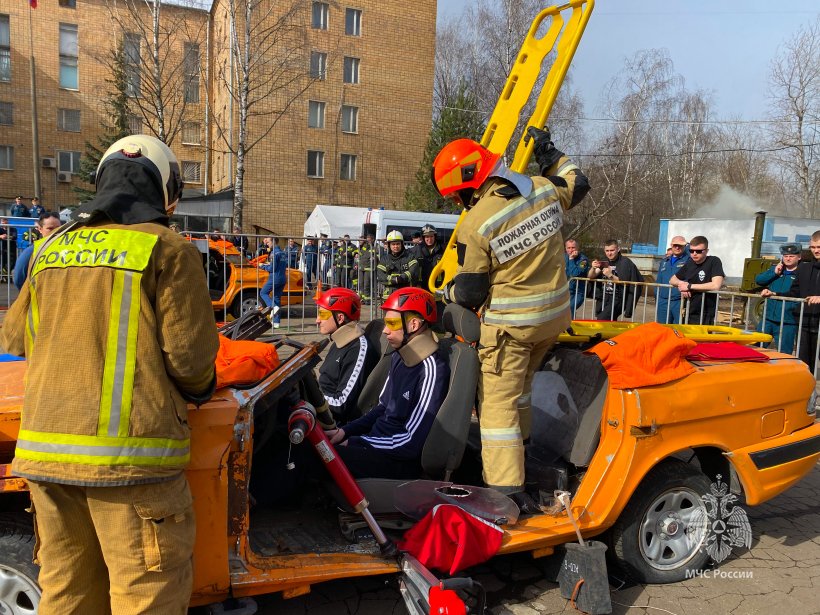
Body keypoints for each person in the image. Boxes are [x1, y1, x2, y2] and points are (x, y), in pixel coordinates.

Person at [0, 134, 218, 614]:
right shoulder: (167, 248)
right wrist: (201, 389)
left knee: (69, 596)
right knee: (146, 598)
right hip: (133, 465)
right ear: (166, 192)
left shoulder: (50, 250)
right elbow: (190, 360)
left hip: (47, 461)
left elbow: (14, 341)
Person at [433, 127, 590, 512]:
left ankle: (505, 491)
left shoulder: (478, 221)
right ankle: (523, 452)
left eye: (456, 196)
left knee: (498, 406)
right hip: (552, 320)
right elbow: (578, 182)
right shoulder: (541, 189)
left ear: (468, 185)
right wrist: (548, 151)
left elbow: (469, 293)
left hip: (511, 328)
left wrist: (446, 293)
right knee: (521, 391)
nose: (458, 203)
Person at [324, 288, 449, 479]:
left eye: (392, 323)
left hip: (397, 460)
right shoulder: (400, 356)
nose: (385, 330)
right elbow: (382, 407)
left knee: (321, 456)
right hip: (378, 443)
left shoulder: (431, 368)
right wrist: (344, 432)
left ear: (414, 324)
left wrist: (358, 442)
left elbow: (411, 442)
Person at [315, 287, 380, 424]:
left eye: (323, 314)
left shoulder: (357, 348)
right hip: (321, 409)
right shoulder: (339, 340)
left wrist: (309, 397)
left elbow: (341, 404)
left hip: (333, 422)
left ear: (340, 318)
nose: (317, 320)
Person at [669, 235, 725, 325]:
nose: (694, 254)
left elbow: (716, 285)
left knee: (702, 339)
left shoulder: (714, 261)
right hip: (688, 311)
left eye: (698, 251)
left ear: (706, 251)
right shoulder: (690, 262)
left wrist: (689, 286)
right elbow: (672, 280)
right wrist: (682, 284)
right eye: (691, 251)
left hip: (705, 313)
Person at [757, 243, 801, 354]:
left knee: (784, 353)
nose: (788, 258)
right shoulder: (777, 270)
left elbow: (797, 293)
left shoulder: (802, 273)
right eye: (785, 256)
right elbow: (759, 280)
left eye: (791, 256)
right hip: (767, 319)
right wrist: (774, 272)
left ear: (799, 257)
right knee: (756, 348)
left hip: (787, 321)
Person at [786, 231, 820, 370]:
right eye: (813, 247)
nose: (816, 250)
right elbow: (794, 292)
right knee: (805, 363)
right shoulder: (804, 268)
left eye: (819, 247)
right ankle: (809, 391)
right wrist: (773, 293)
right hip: (804, 323)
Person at [587, 239, 643, 321]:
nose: (609, 253)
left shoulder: (625, 262)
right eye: (607, 251)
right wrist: (593, 268)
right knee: (608, 321)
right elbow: (591, 276)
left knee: (602, 319)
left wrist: (610, 275)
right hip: (604, 297)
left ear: (618, 249)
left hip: (618, 297)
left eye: (612, 250)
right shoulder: (604, 261)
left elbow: (625, 282)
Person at [12, 211, 62, 289]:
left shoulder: (67, 248)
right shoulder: (31, 251)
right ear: (40, 229)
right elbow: (19, 278)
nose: (56, 232)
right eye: (50, 228)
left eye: (58, 228)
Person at [655, 236, 690, 324]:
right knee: (663, 329)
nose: (677, 247)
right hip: (663, 301)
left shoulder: (689, 260)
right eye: (675, 245)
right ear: (671, 245)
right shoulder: (664, 261)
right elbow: (659, 281)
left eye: (680, 246)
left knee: (678, 330)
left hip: (679, 301)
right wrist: (658, 300)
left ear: (685, 246)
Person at [377, 230, 419, 299]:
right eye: (393, 244)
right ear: (389, 245)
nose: (395, 246)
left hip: (406, 294)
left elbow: (413, 271)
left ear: (402, 244)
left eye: (397, 244)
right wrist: (393, 279)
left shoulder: (410, 257)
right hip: (389, 295)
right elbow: (380, 275)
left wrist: (402, 278)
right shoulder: (384, 259)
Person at [259, 237, 287, 328]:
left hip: (275, 278)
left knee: (263, 292)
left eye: (268, 241)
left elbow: (272, 268)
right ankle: (276, 323)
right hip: (282, 278)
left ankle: (273, 308)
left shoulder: (274, 253)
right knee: (276, 298)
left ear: (274, 241)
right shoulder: (282, 252)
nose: (267, 243)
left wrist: (262, 266)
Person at [564, 238, 590, 317]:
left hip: (579, 292)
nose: (571, 250)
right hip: (566, 290)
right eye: (569, 248)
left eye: (573, 247)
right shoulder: (563, 258)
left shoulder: (583, 259)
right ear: (565, 248)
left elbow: (575, 274)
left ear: (577, 248)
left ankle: (569, 327)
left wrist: (571, 259)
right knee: (564, 312)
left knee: (570, 308)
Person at [357, 233, 377, 303]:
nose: (368, 241)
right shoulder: (364, 246)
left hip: (369, 269)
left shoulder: (375, 247)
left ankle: (368, 300)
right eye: (367, 239)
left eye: (369, 239)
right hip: (361, 268)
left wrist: (375, 258)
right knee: (361, 284)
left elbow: (377, 257)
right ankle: (362, 299)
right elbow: (360, 253)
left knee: (366, 285)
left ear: (373, 240)